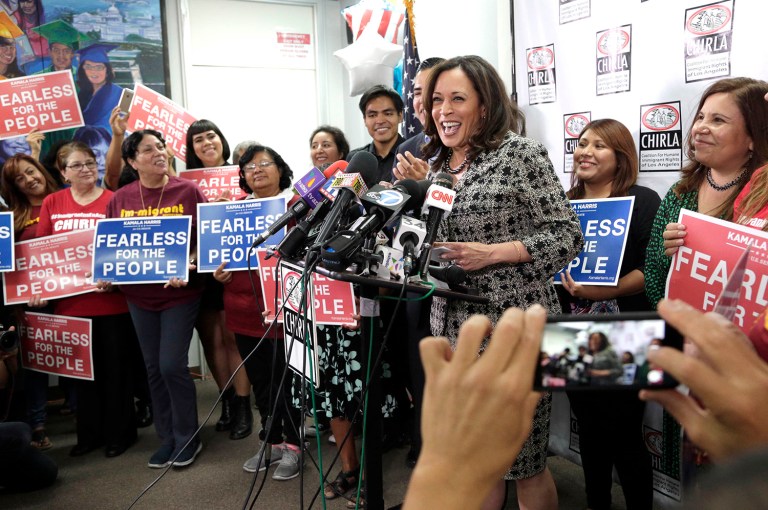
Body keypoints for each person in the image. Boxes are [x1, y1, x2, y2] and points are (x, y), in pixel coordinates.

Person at [403, 299, 768, 510]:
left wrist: (442, 476)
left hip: (623, 343)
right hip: (570, 338)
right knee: (593, 439)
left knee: (625, 442)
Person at [421, 55, 583, 510]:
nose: (444, 110)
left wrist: (492, 253)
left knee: (523, 461)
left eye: (457, 99)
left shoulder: (520, 155)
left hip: (512, 327)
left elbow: (567, 235)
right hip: (451, 327)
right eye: (437, 100)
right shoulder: (438, 167)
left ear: (486, 105)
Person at [555, 118, 658, 508]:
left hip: (625, 329)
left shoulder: (642, 200)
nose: (586, 151)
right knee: (589, 431)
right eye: (582, 143)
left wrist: (606, 291)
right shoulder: (562, 203)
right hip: (570, 329)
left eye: (599, 145)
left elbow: (650, 271)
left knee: (625, 434)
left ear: (621, 156)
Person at [106, 129, 207, 468]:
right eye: (148, 150)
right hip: (138, 296)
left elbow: (206, 241)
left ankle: (188, 436)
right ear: (132, 161)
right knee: (152, 367)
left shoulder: (188, 191)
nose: (159, 153)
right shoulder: (120, 199)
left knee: (171, 364)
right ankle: (167, 438)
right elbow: (111, 247)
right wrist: (106, 274)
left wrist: (190, 261)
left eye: (161, 147)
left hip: (179, 293)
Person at [36, 141, 138, 458]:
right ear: (63, 173)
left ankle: (120, 435)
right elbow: (41, 250)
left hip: (112, 303)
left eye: (90, 163)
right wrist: (38, 287)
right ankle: (89, 435)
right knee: (82, 377)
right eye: (77, 165)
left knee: (115, 373)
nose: (86, 169)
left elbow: (126, 247)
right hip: (71, 305)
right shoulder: (52, 202)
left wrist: (115, 276)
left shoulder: (113, 200)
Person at [213, 144, 304, 480]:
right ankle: (271, 440)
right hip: (242, 311)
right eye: (249, 167)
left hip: (283, 309)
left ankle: (293, 444)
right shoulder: (232, 211)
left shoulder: (297, 207)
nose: (257, 170)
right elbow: (218, 258)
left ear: (280, 169)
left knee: (287, 381)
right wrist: (218, 271)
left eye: (265, 163)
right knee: (261, 382)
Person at [645, 77, 768, 308]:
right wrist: (669, 254)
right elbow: (652, 274)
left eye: (718, 120)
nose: (700, 128)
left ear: (753, 137)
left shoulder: (763, 201)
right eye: (701, 117)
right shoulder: (679, 193)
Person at [184, 119, 251, 439]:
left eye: (210, 136)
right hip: (201, 272)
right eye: (198, 139)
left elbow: (256, 210)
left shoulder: (241, 174)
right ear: (192, 148)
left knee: (233, 338)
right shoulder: (185, 183)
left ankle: (243, 404)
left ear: (221, 139)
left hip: (233, 267)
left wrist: (229, 209)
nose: (206, 143)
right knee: (212, 341)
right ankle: (226, 401)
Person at [1, 154, 60, 450]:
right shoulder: (12, 218)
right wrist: (23, 296)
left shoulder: (66, 200)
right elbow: (10, 266)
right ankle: (37, 425)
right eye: (19, 179)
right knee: (38, 363)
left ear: (40, 169)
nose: (28, 180)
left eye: (30, 171)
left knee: (78, 358)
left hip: (75, 295)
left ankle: (87, 417)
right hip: (33, 300)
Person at [393, 56, 445, 182]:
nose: (423, 100)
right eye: (417, 93)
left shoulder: (463, 146)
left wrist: (427, 183)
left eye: (430, 91)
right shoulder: (405, 149)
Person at [346, 85, 405, 183]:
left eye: (388, 114)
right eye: (372, 115)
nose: (380, 121)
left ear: (400, 116)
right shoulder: (355, 158)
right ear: (365, 120)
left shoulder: (413, 152)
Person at [75, 44, 123, 132]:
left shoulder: (120, 94)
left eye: (99, 67)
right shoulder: (81, 93)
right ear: (82, 70)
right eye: (88, 66)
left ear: (107, 70)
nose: (93, 71)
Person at [13, 0, 46, 73]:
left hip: (46, 57)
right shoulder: (16, 17)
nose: (25, 5)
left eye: (29, 2)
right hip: (27, 60)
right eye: (22, 2)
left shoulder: (45, 15)